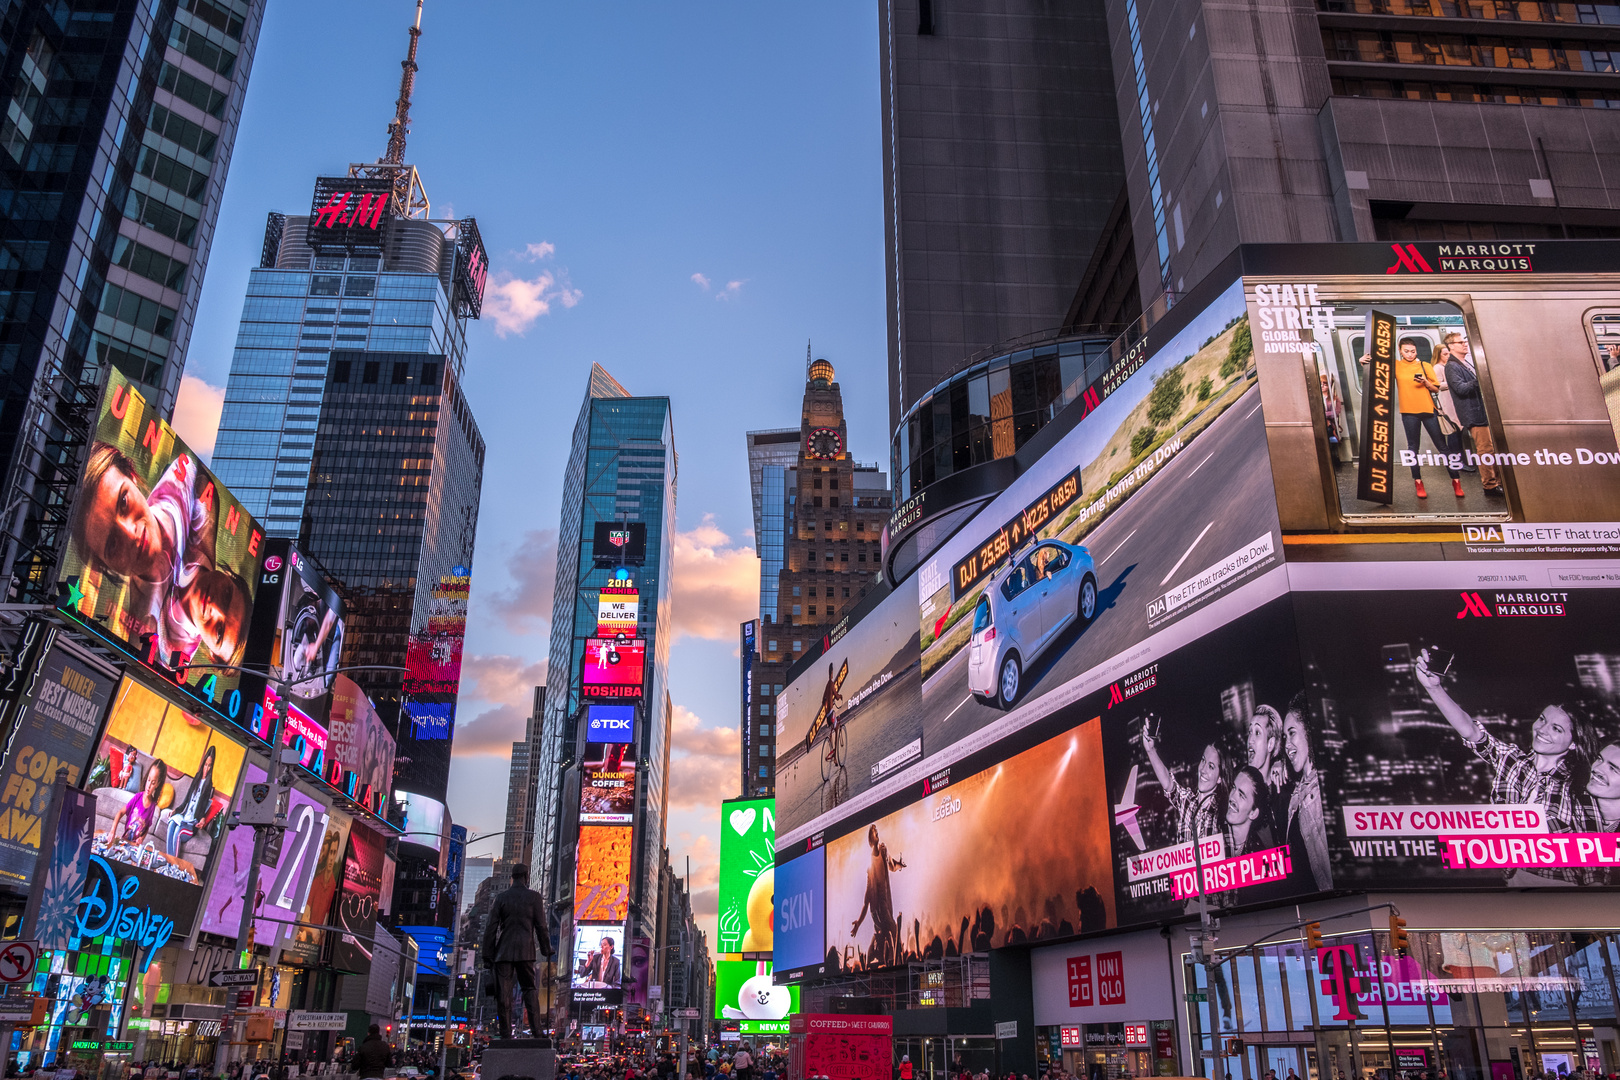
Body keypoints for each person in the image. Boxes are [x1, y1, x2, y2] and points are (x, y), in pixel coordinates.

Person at [1415, 648, 1580, 829]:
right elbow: (1471, 731)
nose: (1542, 729)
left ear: (1573, 743)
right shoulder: (1511, 759)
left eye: (1556, 729)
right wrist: (1434, 688)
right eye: (1542, 719)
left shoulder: (1580, 782)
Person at [1366, 341, 1461, 499]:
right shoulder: (1395, 365)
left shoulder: (1425, 365)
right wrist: (1363, 360)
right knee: (1413, 449)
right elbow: (1375, 365)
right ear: (1400, 351)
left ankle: (1456, 481)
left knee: (1443, 447)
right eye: (1407, 351)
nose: (1410, 354)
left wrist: (1425, 382)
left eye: (1413, 351)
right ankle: (1418, 482)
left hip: (1429, 411)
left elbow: (1436, 388)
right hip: (1409, 413)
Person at [483, 863, 553, 1038]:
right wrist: (546, 949)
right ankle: (537, 1032)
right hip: (525, 951)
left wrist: (487, 955)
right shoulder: (534, 897)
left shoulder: (501, 898)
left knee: (503, 994)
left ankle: (505, 1034)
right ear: (526, 876)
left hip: (503, 952)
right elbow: (541, 926)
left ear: (512, 877)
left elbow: (490, 928)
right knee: (529, 989)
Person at [1438, 332, 1502, 495]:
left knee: (1491, 448)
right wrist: (1479, 379)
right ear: (1451, 346)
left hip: (1481, 411)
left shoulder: (1464, 362)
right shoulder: (1452, 366)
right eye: (1460, 342)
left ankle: (1498, 481)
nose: (1465, 344)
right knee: (1484, 450)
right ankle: (1490, 485)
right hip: (1473, 413)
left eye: (1465, 341)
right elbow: (1460, 389)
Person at [1142, 722, 1225, 845]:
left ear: (1219, 778)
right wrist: (1151, 751)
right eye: (1203, 760)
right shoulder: (1188, 802)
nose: (1203, 769)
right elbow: (1169, 783)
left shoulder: (1223, 813)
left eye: (1211, 767)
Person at [1282, 695, 1331, 892]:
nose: (1286, 745)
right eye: (1284, 737)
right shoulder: (1296, 796)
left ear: (1309, 732)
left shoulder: (1320, 790)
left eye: (1292, 733)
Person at [851, 824, 905, 968]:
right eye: (873, 833)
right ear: (870, 840)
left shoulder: (884, 851)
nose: (876, 834)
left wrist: (899, 865)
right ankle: (894, 964)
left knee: (890, 935)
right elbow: (866, 900)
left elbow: (892, 866)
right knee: (891, 933)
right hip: (878, 910)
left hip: (885, 905)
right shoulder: (870, 868)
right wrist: (859, 922)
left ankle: (893, 963)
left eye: (876, 831)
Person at [163, 745, 215, 857]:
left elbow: (203, 811)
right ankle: (169, 861)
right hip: (184, 818)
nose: (207, 768)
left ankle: (173, 865)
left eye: (210, 766)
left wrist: (202, 820)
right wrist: (175, 811)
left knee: (178, 832)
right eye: (205, 765)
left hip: (191, 825)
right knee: (172, 823)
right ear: (203, 764)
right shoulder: (196, 778)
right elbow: (185, 802)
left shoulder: (208, 785)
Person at [107, 759, 167, 846]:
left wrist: (141, 838)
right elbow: (120, 813)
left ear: (157, 784)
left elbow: (146, 828)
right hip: (125, 841)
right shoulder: (137, 797)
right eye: (148, 780)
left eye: (153, 783)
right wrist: (112, 830)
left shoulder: (152, 806)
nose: (149, 785)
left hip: (136, 847)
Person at [1223, 766, 1272, 857]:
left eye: (1241, 795)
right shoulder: (1215, 837)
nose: (1232, 797)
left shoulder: (1260, 855)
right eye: (1234, 788)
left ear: (1253, 813)